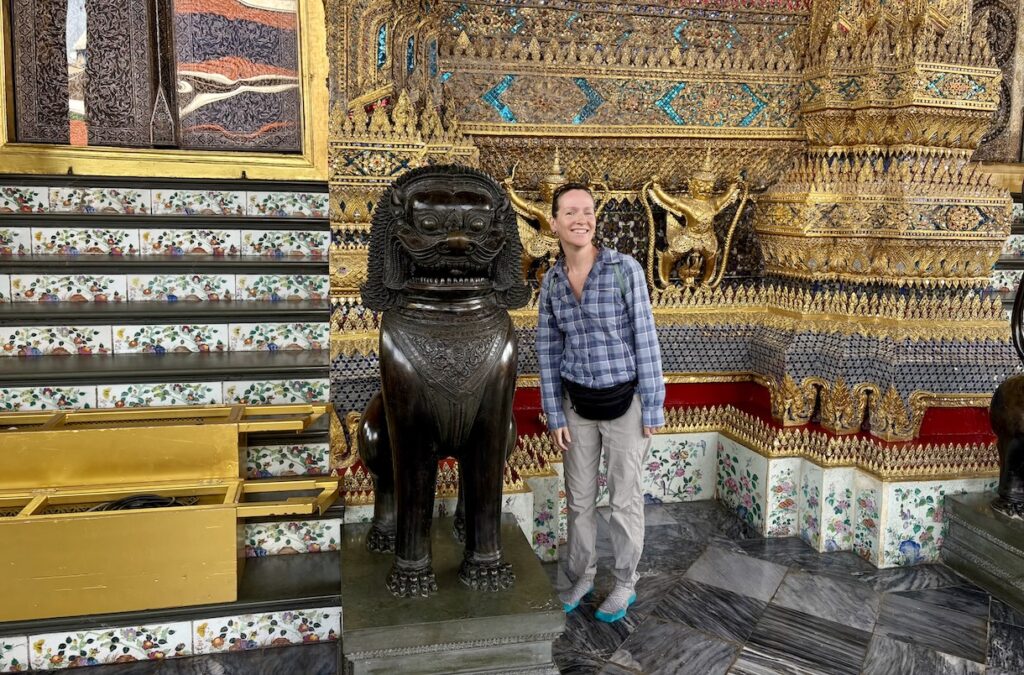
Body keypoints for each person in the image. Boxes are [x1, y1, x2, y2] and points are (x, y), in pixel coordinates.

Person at [536, 182, 665, 623]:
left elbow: (645, 338)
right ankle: (583, 575)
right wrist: (555, 414)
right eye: (570, 212)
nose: (580, 219)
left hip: (625, 403)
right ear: (553, 222)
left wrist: (653, 404)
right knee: (580, 500)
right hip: (578, 408)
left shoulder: (623, 269)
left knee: (624, 500)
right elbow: (548, 352)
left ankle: (625, 582)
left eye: (587, 211)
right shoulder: (551, 282)